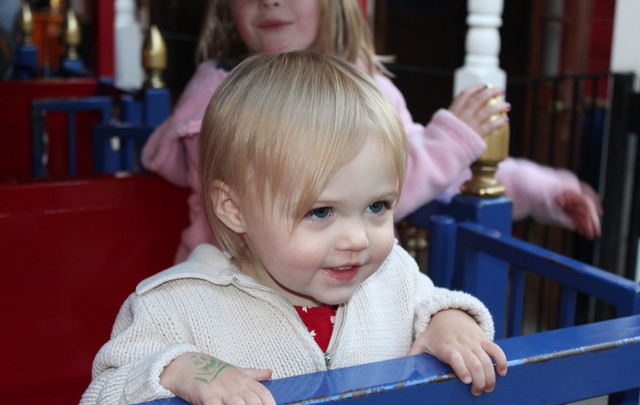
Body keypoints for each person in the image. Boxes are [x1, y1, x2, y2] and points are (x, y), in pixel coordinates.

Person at [79, 51, 508, 405]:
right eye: (320, 212)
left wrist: (449, 323)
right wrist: (178, 369)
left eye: (377, 206)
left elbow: (430, 303)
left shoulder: (390, 274)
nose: (358, 239)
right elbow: (98, 402)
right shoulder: (174, 305)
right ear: (235, 209)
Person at [142, 0, 601, 264]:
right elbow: (312, 196)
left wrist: (542, 191)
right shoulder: (225, 98)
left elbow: (432, 174)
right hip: (233, 294)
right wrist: (453, 141)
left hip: (341, 284)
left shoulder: (366, 90)